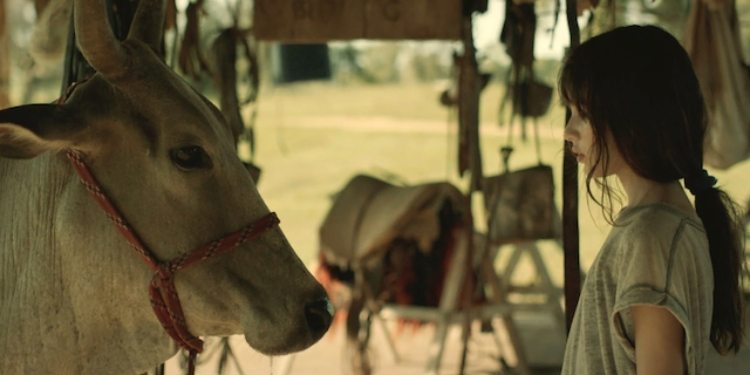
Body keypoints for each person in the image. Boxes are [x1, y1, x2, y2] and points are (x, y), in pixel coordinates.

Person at [559, 25, 745, 375]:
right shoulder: (652, 228)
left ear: (632, 115)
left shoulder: (653, 238)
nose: (568, 131)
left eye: (583, 114)